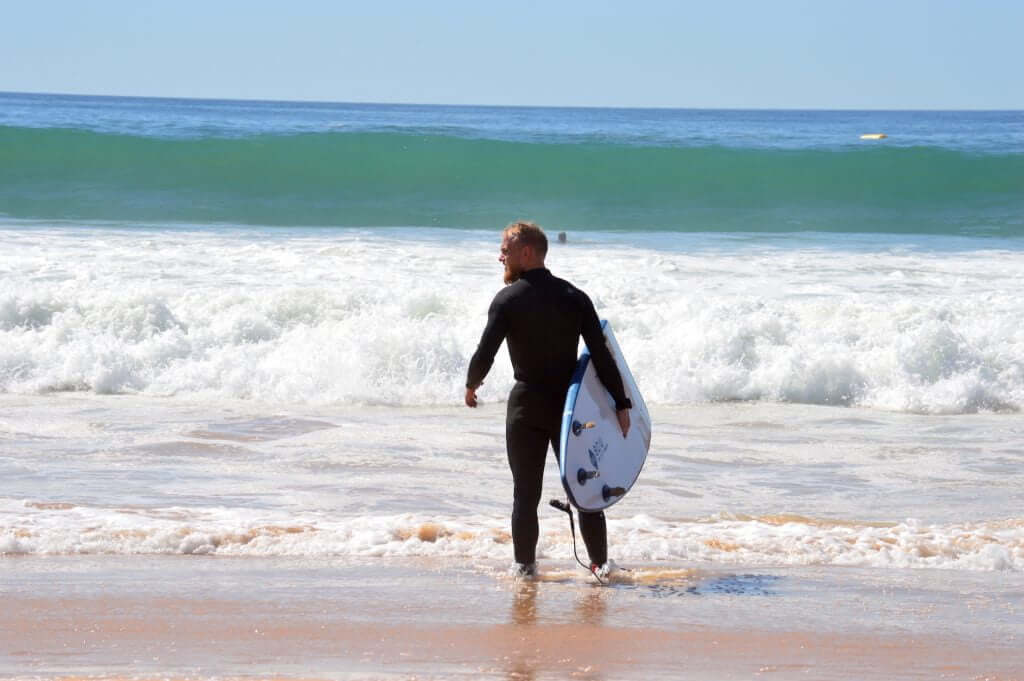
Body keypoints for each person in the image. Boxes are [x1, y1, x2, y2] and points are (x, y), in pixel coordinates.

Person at [465, 220, 632, 578]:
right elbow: (601, 357)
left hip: (527, 407)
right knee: (584, 490)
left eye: (505, 251)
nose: (500, 257)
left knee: (525, 493)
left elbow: (486, 352)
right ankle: (601, 566)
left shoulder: (508, 300)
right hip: (571, 410)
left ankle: (524, 569)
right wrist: (621, 403)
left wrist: (471, 384)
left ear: (526, 252)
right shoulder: (574, 297)